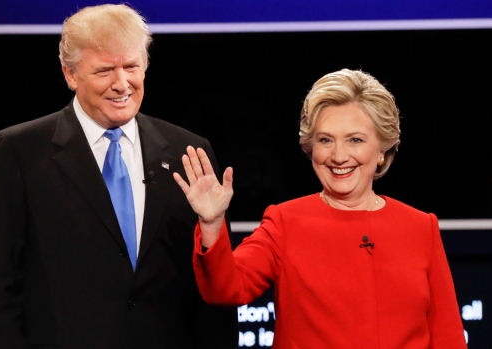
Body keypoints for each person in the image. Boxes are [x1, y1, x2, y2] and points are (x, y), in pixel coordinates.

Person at [0, 4, 237, 349]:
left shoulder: (188, 151)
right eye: (105, 70)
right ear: (70, 74)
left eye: (131, 67)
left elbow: (212, 285)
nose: (121, 84)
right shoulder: (18, 151)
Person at [174, 69, 468, 348]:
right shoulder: (285, 222)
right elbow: (226, 289)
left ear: (381, 149)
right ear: (310, 147)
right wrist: (211, 223)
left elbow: (447, 336)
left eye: (355, 140)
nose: (339, 156)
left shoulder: (419, 227)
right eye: (326, 140)